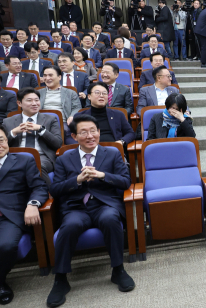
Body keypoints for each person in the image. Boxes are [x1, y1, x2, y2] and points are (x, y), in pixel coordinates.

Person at [47, 114, 134, 308]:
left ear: (99, 132)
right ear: (74, 136)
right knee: (69, 226)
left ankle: (118, 270)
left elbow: (125, 181)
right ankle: (60, 279)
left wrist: (103, 175)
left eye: (93, 131)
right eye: (83, 132)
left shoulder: (112, 153)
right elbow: (55, 189)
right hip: (76, 207)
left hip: (104, 204)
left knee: (111, 219)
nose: (89, 136)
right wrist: (77, 180)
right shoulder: (64, 159)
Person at [0, 124, 49, 306]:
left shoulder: (23, 160)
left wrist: (32, 204)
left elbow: (39, 187)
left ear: (7, 141)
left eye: (1, 140)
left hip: (10, 216)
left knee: (5, 246)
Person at [5, 87, 62, 185]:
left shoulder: (50, 119)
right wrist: (14, 132)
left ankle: (49, 195)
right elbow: (2, 143)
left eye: (37, 100)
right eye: (29, 100)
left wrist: (41, 129)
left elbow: (57, 143)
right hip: (15, 156)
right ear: (19, 103)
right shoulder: (8, 121)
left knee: (37, 165)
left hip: (42, 156)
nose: (35, 103)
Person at [71, 82, 134, 146]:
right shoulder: (79, 116)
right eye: (97, 93)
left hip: (113, 150)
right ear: (89, 96)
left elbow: (130, 133)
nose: (101, 96)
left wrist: (121, 141)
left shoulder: (118, 114)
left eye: (104, 93)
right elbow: (73, 136)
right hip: (89, 150)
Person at [40, 65, 81, 145]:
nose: (47, 78)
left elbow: (77, 107)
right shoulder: (38, 93)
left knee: (68, 133)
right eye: (45, 75)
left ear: (59, 77)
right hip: (42, 122)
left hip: (63, 122)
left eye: (50, 75)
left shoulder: (70, 92)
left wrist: (72, 116)